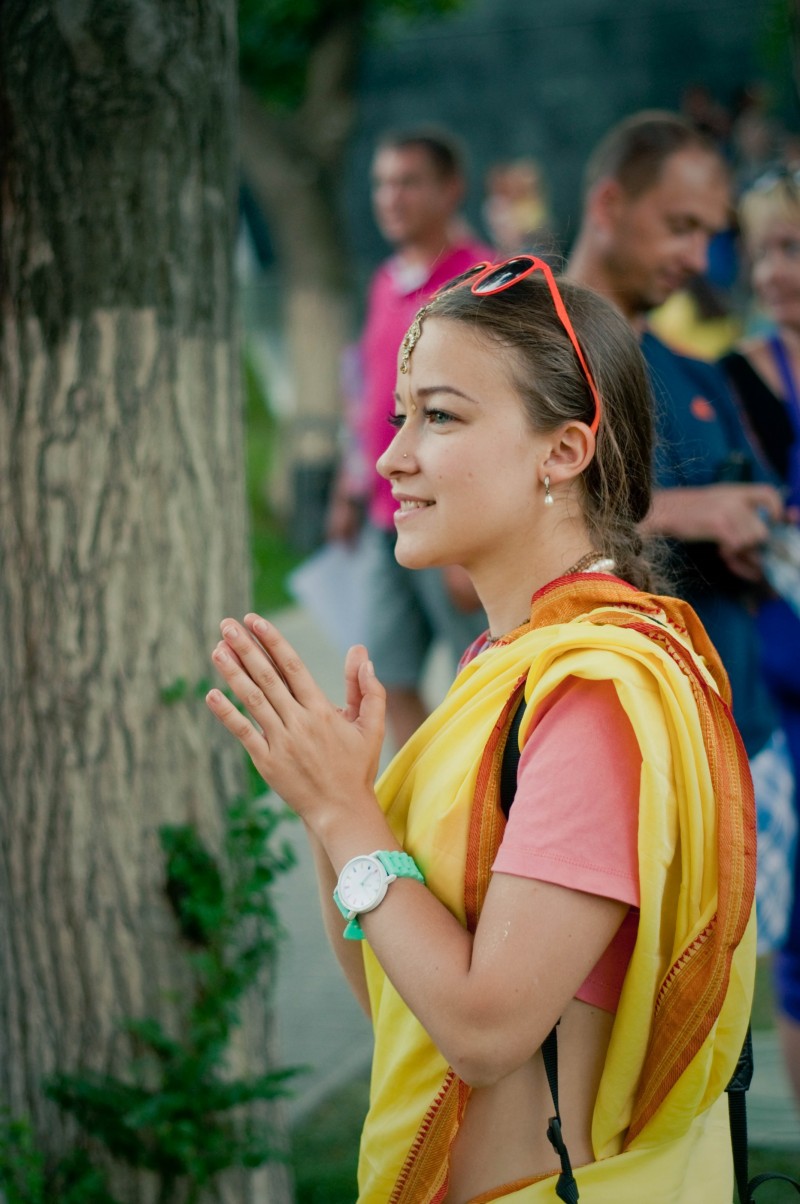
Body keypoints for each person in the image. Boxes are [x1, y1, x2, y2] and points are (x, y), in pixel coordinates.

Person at [206, 255, 756, 1202]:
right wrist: (327, 800)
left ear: (564, 451)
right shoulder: (510, 663)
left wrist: (346, 815)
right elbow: (401, 1000)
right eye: (399, 417)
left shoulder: (593, 694)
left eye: (441, 417)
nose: (393, 458)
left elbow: (485, 1031)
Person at [567, 110, 787, 772]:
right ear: (609, 204)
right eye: (680, 226)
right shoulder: (524, 356)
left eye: (709, 236)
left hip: (746, 741)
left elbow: (755, 518)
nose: (696, 259)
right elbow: (476, 558)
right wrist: (686, 512)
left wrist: (757, 536)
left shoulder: (698, 374)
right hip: (613, 757)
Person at [327, 126, 491, 749]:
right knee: (383, 676)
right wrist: (348, 488)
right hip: (384, 510)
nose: (391, 198)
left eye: (408, 182)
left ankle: (494, 798)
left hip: (447, 509)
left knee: (481, 673)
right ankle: (434, 790)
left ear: (451, 190)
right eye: (382, 183)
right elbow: (370, 394)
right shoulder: (386, 281)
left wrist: (470, 538)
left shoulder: (479, 283)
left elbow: (489, 411)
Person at [720, 168, 800, 1105]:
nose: (774, 271)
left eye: (794, 248)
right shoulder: (737, 377)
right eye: (762, 251)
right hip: (778, 690)